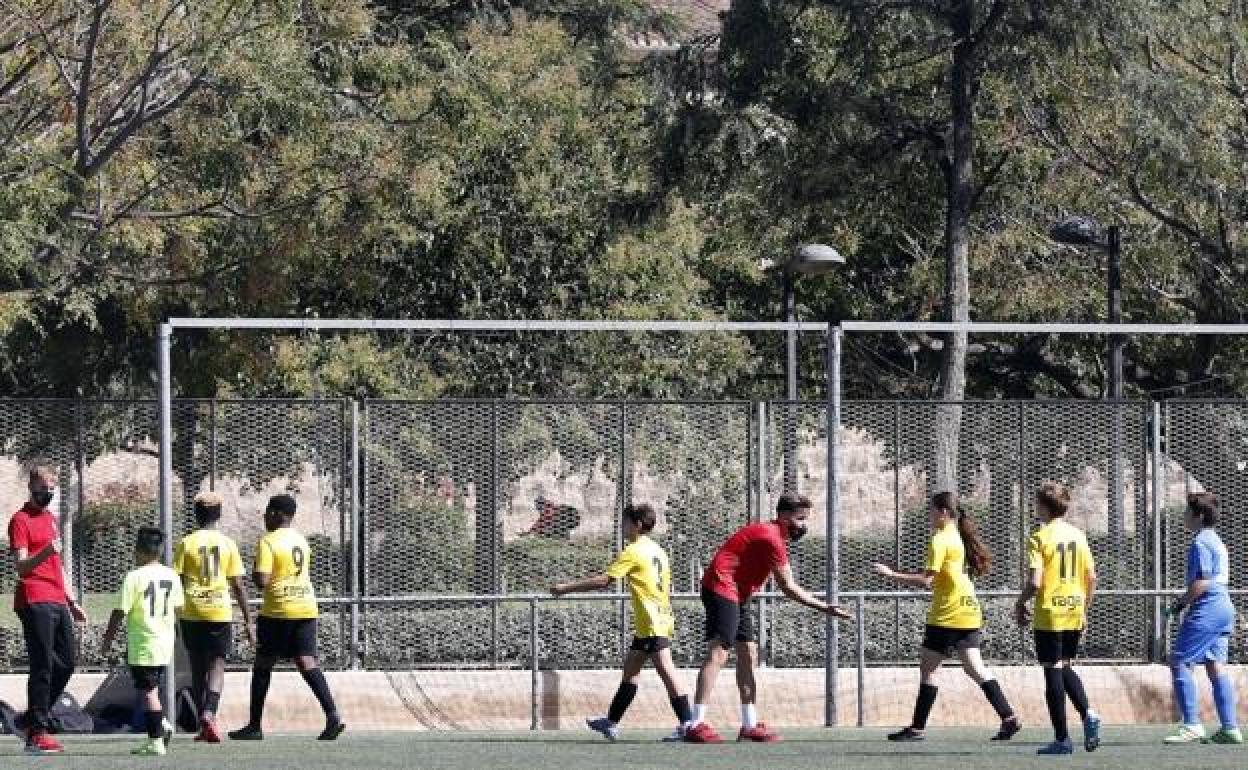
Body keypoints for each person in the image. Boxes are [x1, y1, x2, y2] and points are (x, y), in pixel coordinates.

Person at [683, 494, 851, 744]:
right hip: (721, 587)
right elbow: (788, 587)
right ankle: (695, 724)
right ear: (783, 517)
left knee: (748, 654)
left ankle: (749, 725)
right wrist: (824, 607)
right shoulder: (771, 538)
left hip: (738, 593)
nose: (804, 525)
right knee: (719, 653)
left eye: (806, 520)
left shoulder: (775, 537)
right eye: (800, 519)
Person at [872, 491, 1021, 742]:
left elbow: (926, 580)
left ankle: (917, 728)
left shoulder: (940, 539)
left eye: (931, 510)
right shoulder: (958, 536)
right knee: (976, 668)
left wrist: (889, 574)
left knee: (929, 671)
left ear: (943, 512)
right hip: (969, 610)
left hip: (947, 614)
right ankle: (1009, 717)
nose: (928, 515)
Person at [550, 503, 692, 741]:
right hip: (659, 617)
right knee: (631, 671)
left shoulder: (633, 550)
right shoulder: (658, 550)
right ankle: (612, 721)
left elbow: (605, 580)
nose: (622, 526)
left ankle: (689, 723)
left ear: (637, 524)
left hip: (651, 621)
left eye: (625, 522)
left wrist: (565, 588)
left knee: (667, 672)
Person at [229, 494, 345, 741]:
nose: (264, 516)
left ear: (279, 514)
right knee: (307, 662)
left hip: (279, 610)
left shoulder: (268, 542)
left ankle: (254, 726)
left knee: (262, 665)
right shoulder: (301, 540)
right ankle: (333, 715)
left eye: (268, 511)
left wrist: (256, 572)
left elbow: (262, 581)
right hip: (306, 607)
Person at [5, 466, 88, 755]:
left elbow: (59, 567)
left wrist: (73, 600)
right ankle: (36, 733)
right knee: (43, 664)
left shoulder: (51, 519)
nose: (47, 494)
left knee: (66, 663)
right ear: (31, 487)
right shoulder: (20, 520)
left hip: (56, 598)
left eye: (51, 489)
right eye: (42, 489)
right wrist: (46, 552)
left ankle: (30, 719)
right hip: (33, 597)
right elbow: (22, 566)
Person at [1014, 482, 1101, 755]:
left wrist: (1019, 602)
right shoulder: (1078, 535)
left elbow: (1036, 582)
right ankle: (1088, 714)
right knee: (1063, 665)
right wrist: (1084, 609)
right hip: (1074, 608)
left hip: (1050, 612)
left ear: (1042, 507)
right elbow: (1092, 577)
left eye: (1036, 504)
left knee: (1051, 670)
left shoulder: (1040, 537)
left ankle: (1062, 739)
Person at [173, 491, 255, 742]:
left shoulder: (186, 543)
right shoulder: (228, 544)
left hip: (192, 611)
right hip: (219, 610)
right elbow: (238, 585)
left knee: (197, 669)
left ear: (196, 515)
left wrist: (176, 613)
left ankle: (202, 725)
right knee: (217, 666)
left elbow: (178, 580)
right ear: (218, 514)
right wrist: (248, 620)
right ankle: (210, 712)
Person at [1163, 492, 1241, 745]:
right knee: (1215, 666)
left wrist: (1178, 605)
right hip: (1225, 607)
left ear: (1198, 516)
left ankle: (1192, 725)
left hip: (1208, 607)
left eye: (1187, 512)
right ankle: (1230, 728)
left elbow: (1203, 581)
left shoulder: (1200, 542)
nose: (1183, 516)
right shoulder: (1217, 540)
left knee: (1179, 662)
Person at [99, 527, 185, 757]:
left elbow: (119, 612)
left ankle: (157, 741)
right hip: (164, 642)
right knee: (150, 689)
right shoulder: (172, 575)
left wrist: (107, 640)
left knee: (148, 693)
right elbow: (178, 609)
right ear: (161, 550)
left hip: (144, 643)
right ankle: (161, 727)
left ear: (138, 550)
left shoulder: (134, 577)